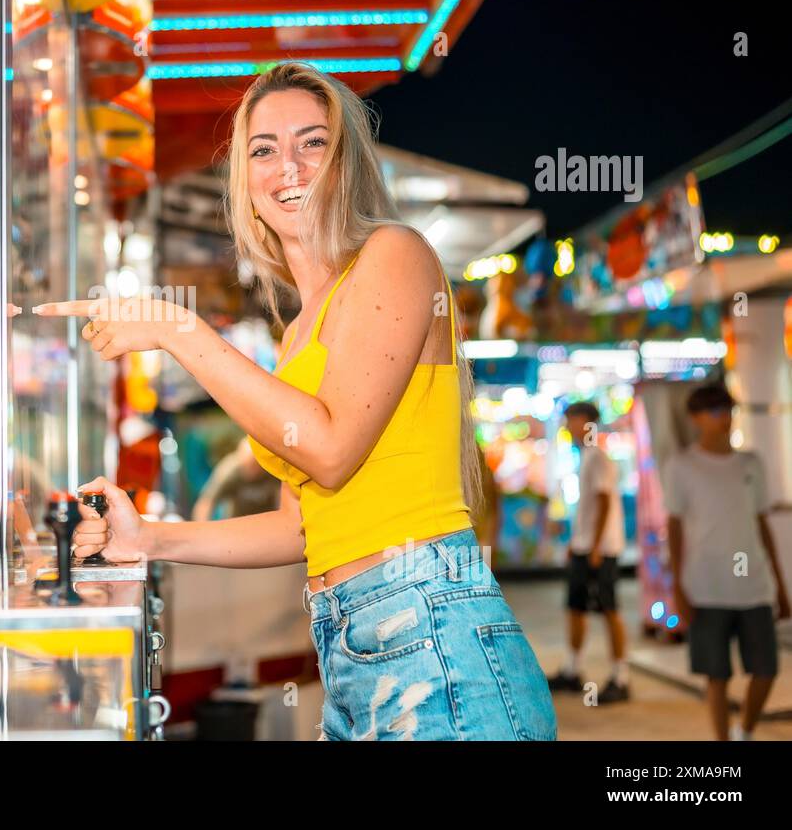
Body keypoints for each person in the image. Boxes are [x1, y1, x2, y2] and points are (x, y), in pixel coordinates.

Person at [36, 61, 556, 741]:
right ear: (245, 184)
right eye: (264, 148)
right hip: (349, 645)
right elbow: (304, 528)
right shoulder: (299, 332)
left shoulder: (395, 255)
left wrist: (180, 331)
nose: (290, 165)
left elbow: (332, 451)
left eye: (313, 142)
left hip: (433, 630)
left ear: (347, 163)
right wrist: (150, 540)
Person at [664, 384, 790, 740]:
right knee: (715, 674)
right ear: (696, 418)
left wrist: (780, 585)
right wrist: (677, 587)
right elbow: (673, 527)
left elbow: (761, 523)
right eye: (716, 412)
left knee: (766, 668)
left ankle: (745, 730)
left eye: (728, 411)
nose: (725, 419)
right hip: (705, 587)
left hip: (753, 587)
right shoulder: (682, 466)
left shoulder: (751, 463)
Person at [547, 401, 630, 702]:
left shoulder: (597, 458)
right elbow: (591, 507)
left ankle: (621, 676)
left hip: (601, 550)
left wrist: (594, 546)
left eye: (572, 420)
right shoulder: (586, 457)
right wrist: (577, 542)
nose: (568, 427)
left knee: (609, 609)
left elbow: (605, 502)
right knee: (576, 608)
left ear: (587, 422)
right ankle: (572, 670)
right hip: (587, 547)